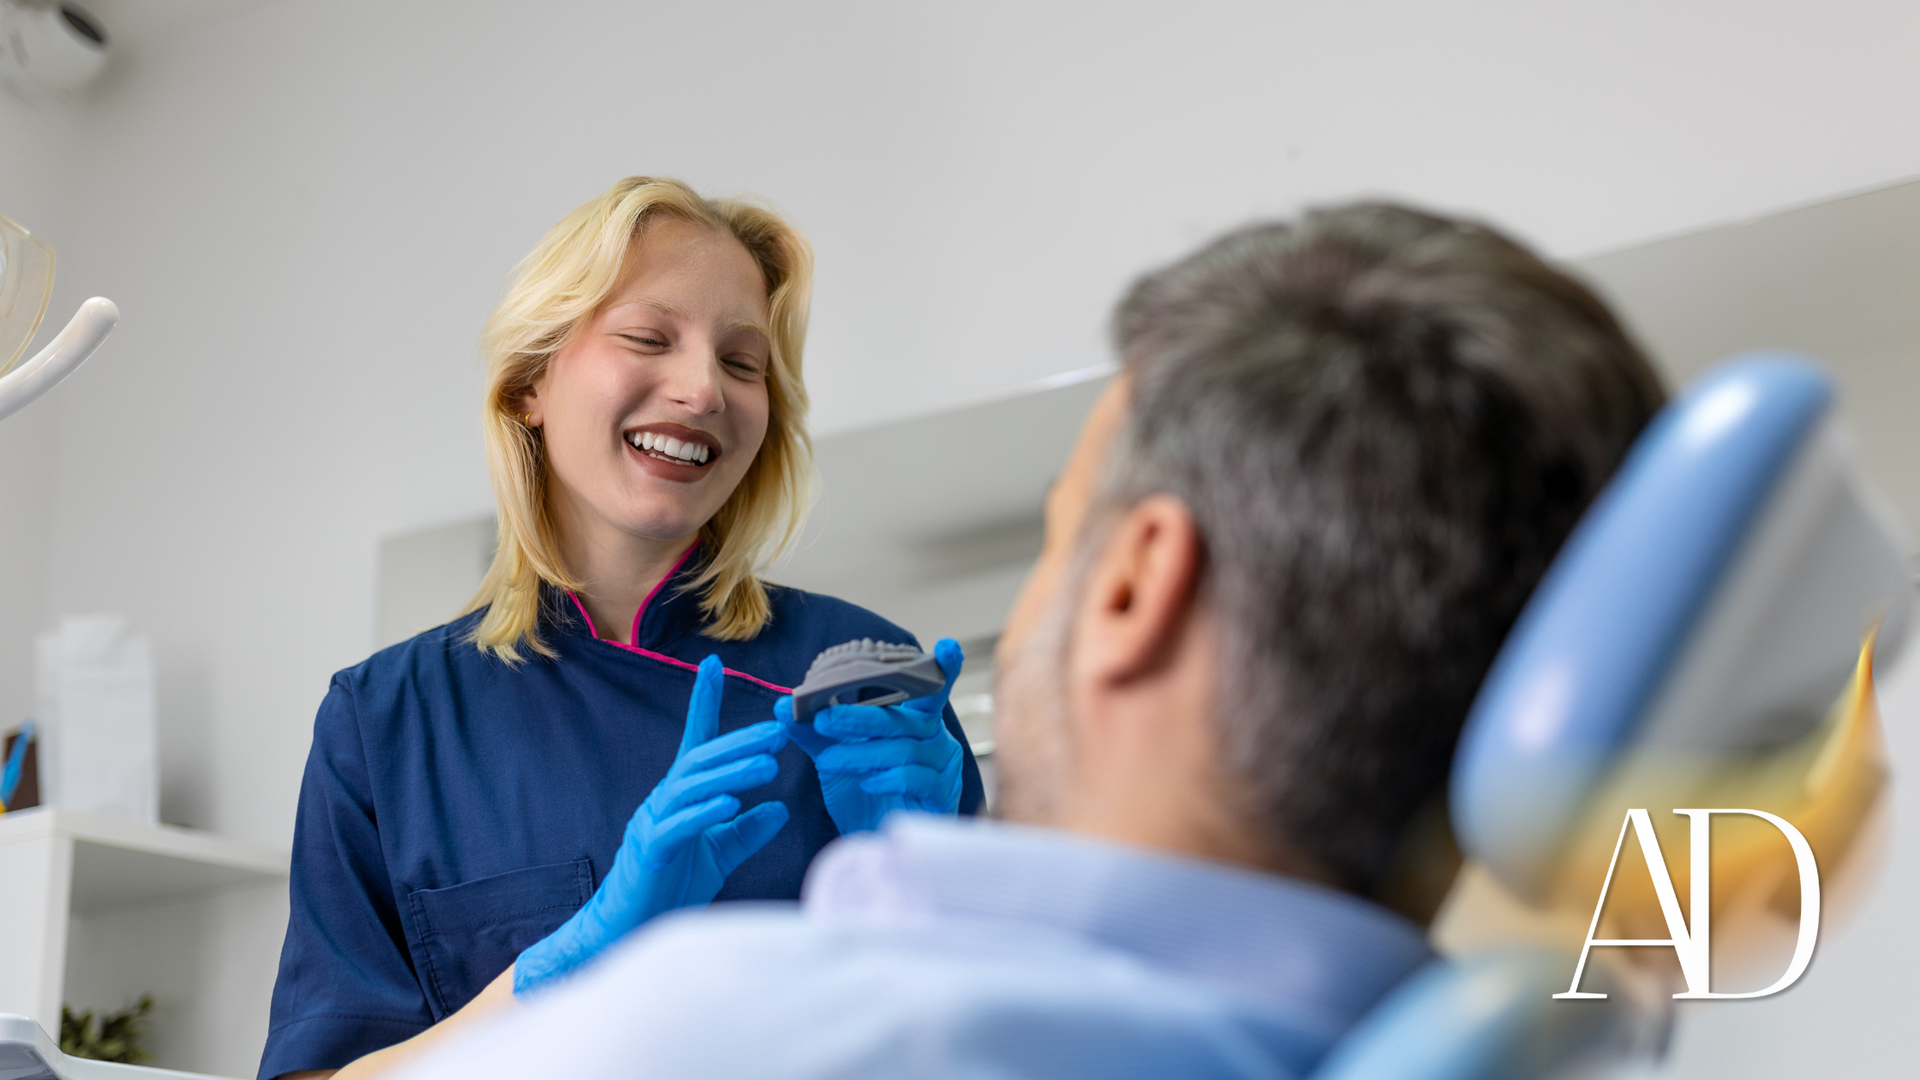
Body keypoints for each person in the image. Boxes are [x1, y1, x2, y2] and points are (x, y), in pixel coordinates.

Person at [386, 202, 1666, 1079]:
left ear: (1131, 591)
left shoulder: (710, 1028)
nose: (702, 386)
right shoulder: (1457, 1038)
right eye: (648, 339)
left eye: (1063, 537)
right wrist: (579, 946)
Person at [259, 178, 987, 1080]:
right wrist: (559, 968)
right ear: (531, 381)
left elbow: (996, 1046)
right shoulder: (388, 722)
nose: (701, 389)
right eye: (649, 338)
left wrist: (926, 886)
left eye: (743, 362)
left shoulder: (864, 696)